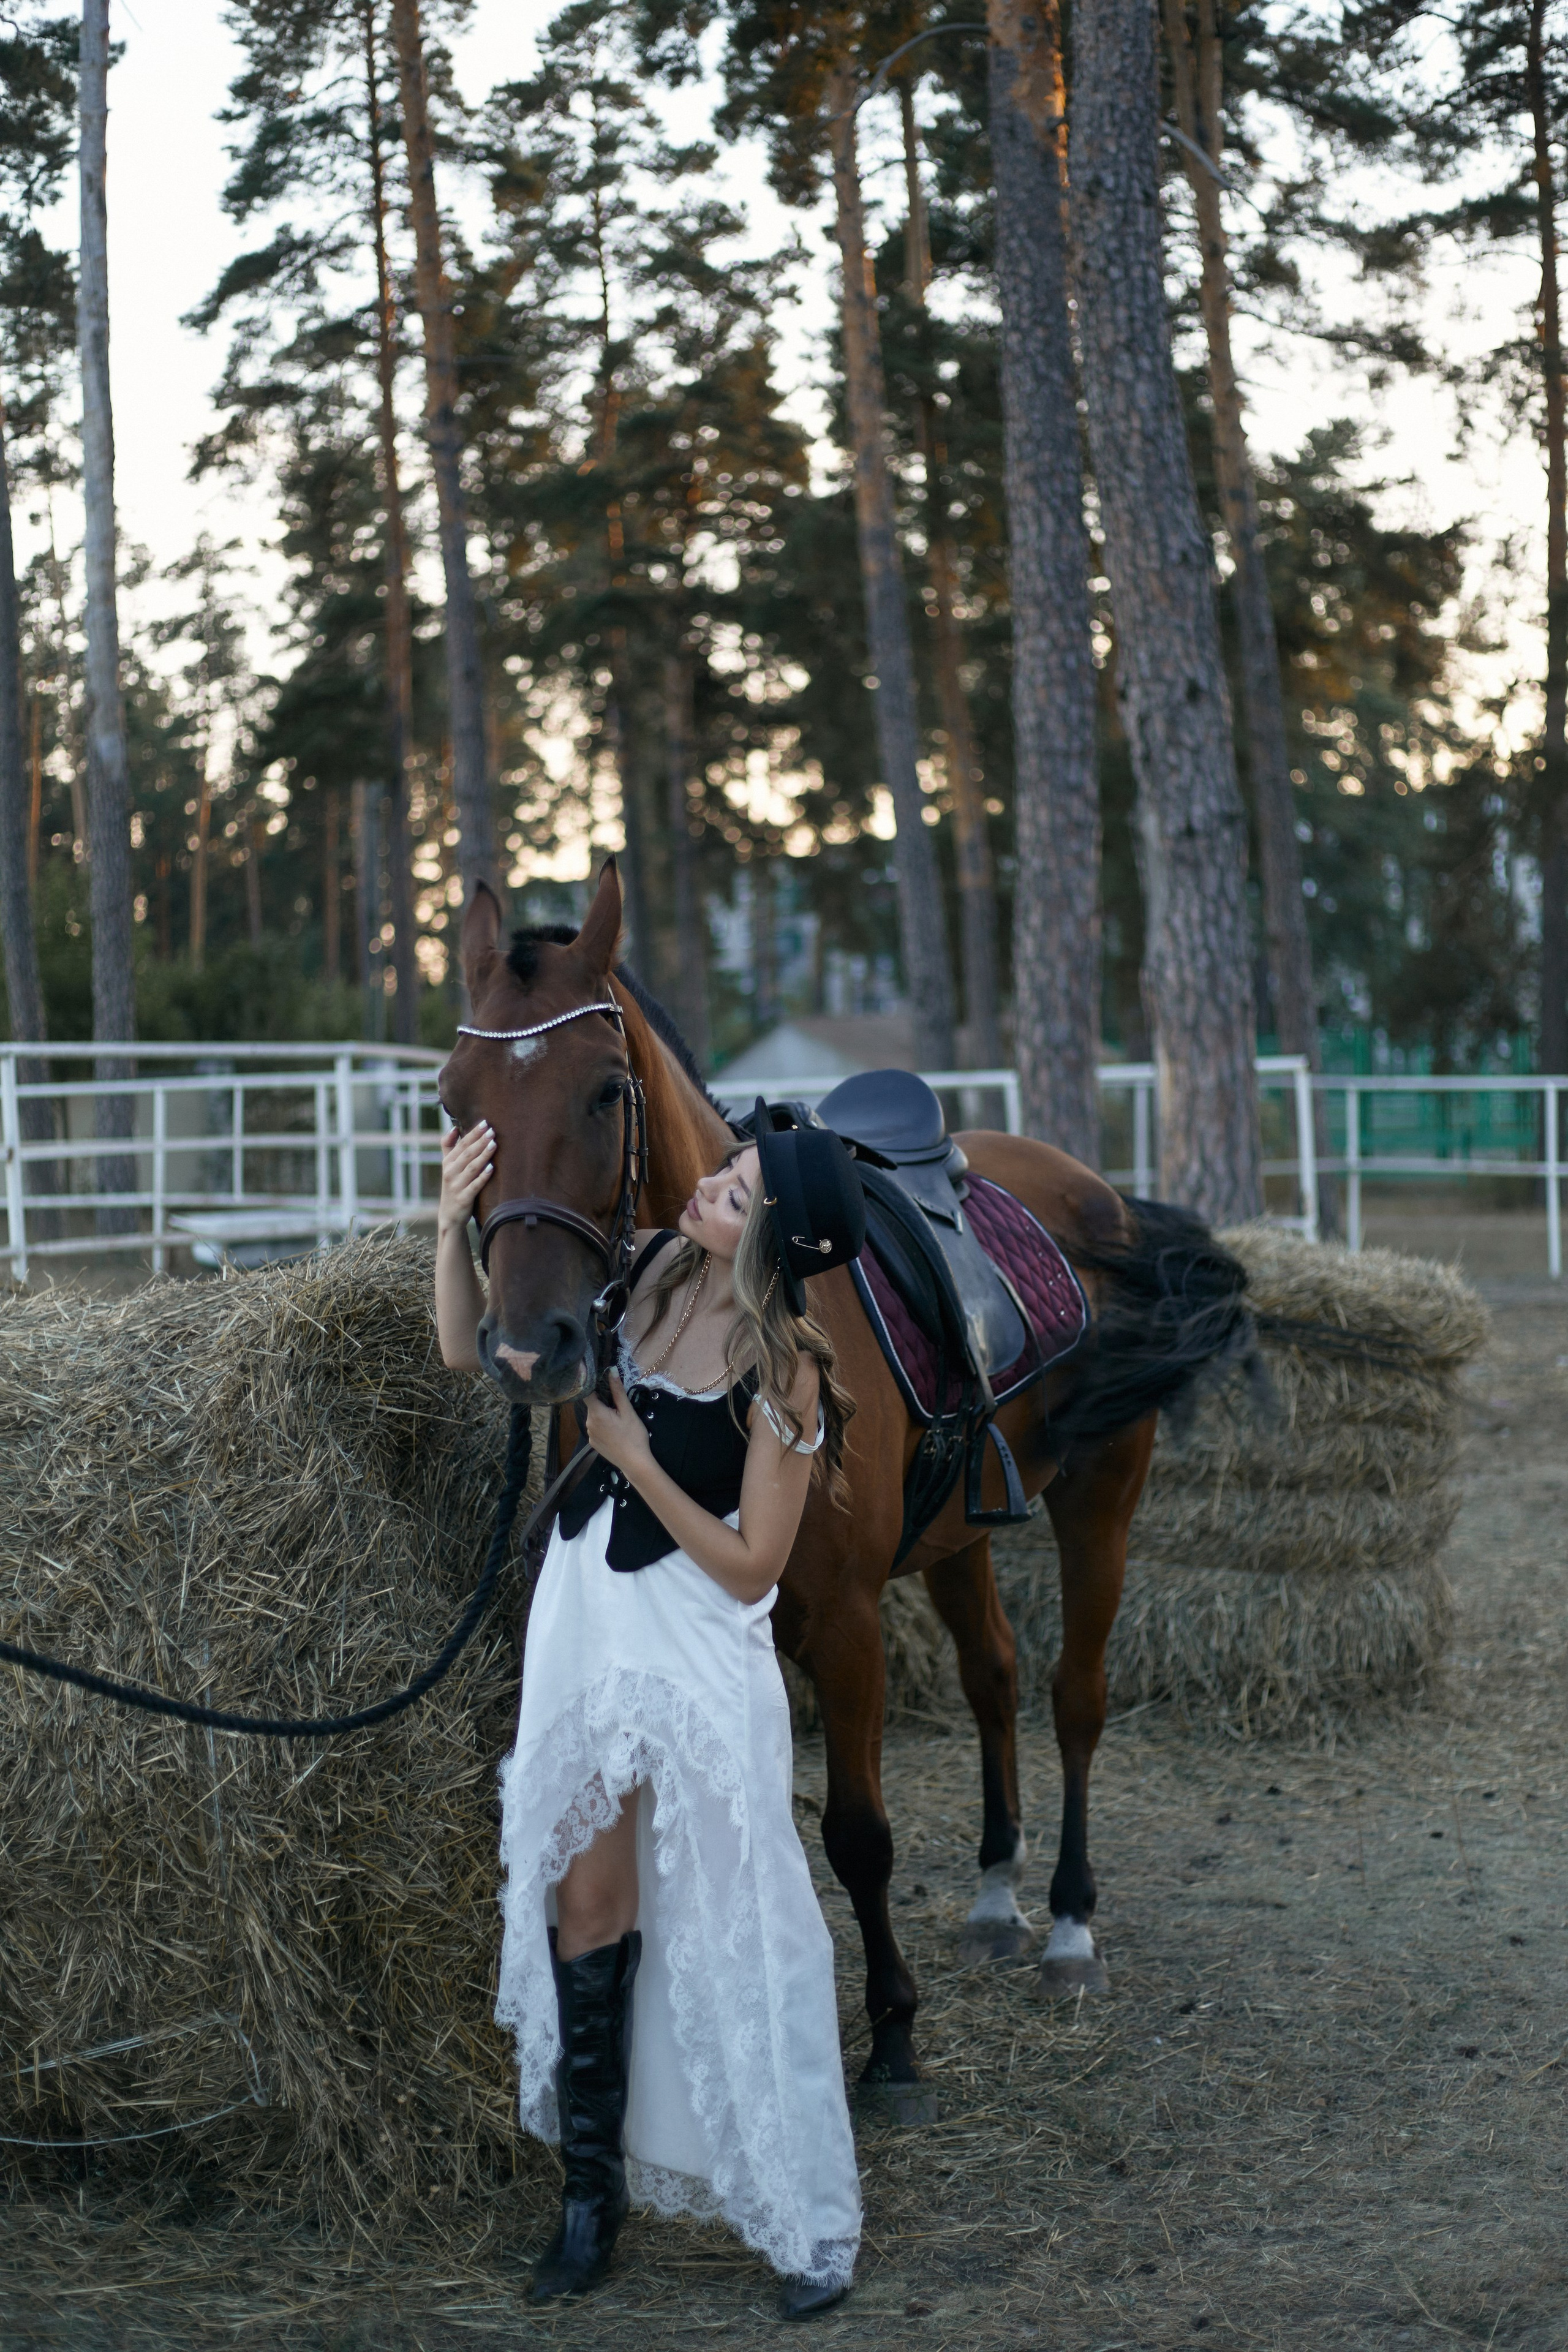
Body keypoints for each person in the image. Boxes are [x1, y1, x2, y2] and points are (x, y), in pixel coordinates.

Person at [435, 1102, 868, 2320]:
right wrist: (445, 1227)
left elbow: (751, 1569)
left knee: (746, 1912)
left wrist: (633, 1462)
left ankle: (800, 2215)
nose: (704, 1193)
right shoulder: (637, 1276)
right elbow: (470, 1354)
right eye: (721, 1172)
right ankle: (589, 2202)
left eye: (733, 1195)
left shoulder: (784, 1364)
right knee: (585, 1898)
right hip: (586, 1624)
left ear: (772, 1243)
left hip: (688, 1641)